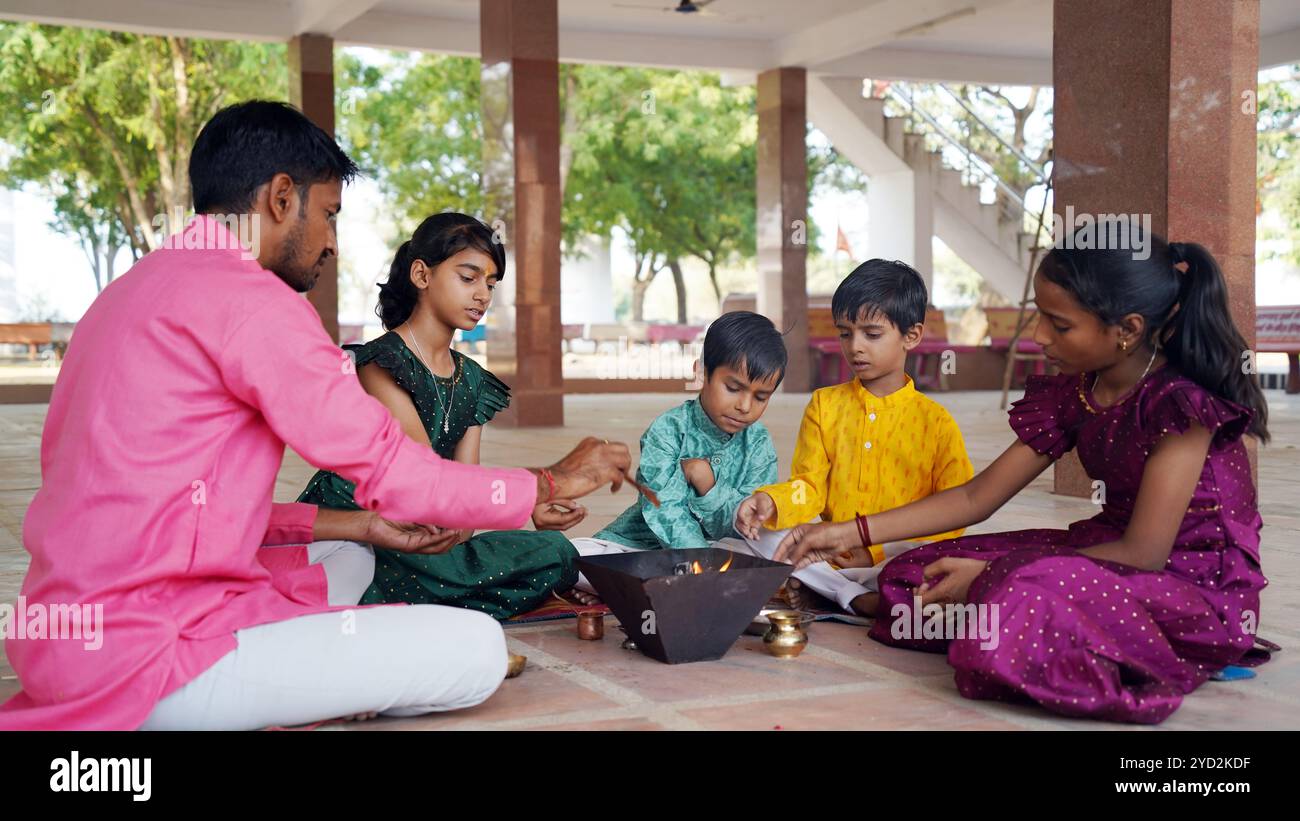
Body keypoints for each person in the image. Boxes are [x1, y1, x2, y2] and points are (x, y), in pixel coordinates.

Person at [0, 100, 631, 731]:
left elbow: (183, 505)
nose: (331, 240)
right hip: (152, 658)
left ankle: (309, 662)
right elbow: (394, 471)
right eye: (328, 214)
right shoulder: (257, 303)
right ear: (281, 198)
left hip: (64, 636)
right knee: (475, 650)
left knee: (351, 557)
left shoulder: (127, 293)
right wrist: (548, 482)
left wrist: (361, 527)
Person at [775, 227, 1272, 723]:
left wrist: (995, 575)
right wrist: (844, 531)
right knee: (915, 572)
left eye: (1058, 324)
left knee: (1010, 593)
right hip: (1100, 554)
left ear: (1127, 329)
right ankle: (1020, 620)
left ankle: (1025, 620)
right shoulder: (1077, 391)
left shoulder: (1179, 405)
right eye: (1039, 315)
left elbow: (1144, 553)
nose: (1038, 336)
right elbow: (974, 499)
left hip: (1185, 583)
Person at [294, 212, 591, 618]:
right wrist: (496, 504)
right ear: (422, 275)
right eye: (468, 278)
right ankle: (411, 596)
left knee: (555, 551)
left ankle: (422, 599)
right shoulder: (381, 361)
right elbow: (421, 473)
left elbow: (464, 484)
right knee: (391, 566)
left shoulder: (473, 380)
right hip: (364, 523)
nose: (483, 295)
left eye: (490, 284)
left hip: (429, 524)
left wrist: (525, 510)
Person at [733, 260, 973, 615]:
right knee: (748, 538)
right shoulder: (824, 405)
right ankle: (853, 597)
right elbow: (809, 487)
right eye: (845, 333)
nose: (855, 346)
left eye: (871, 334)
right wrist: (772, 502)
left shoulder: (936, 423)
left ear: (912, 335)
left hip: (894, 557)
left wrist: (873, 550)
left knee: (942, 564)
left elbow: (953, 515)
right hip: (829, 555)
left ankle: (831, 592)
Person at [569, 312, 784, 581]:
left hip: (724, 549)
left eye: (761, 397)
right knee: (576, 557)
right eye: (732, 388)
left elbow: (746, 523)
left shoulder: (759, 444)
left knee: (782, 546)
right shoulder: (667, 430)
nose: (744, 406)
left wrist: (708, 486)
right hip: (643, 548)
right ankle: (633, 584)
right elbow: (663, 508)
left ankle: (627, 589)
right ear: (701, 373)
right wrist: (701, 565)